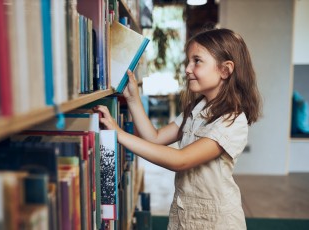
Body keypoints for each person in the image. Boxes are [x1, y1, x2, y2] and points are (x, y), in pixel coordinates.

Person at [94, 28, 262, 229]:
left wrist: (118, 134)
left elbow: (180, 160)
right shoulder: (196, 109)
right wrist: (132, 98)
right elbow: (155, 138)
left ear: (225, 70)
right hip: (184, 214)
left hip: (217, 221)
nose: (187, 69)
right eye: (188, 61)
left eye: (197, 61)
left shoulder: (232, 120)